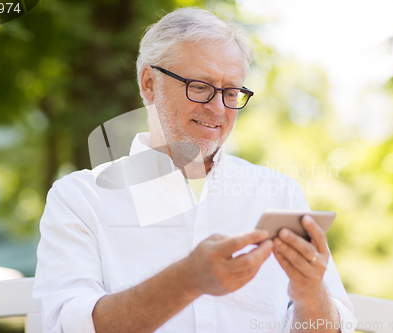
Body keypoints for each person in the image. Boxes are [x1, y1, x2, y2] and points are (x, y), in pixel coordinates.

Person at [33, 7, 358, 333]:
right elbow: (65, 326)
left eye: (231, 92)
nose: (218, 108)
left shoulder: (279, 194)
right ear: (149, 83)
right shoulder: (80, 199)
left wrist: (310, 293)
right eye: (200, 87)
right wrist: (187, 280)